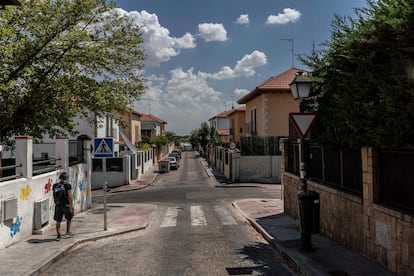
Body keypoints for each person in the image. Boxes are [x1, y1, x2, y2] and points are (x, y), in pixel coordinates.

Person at [53, 172, 74, 241]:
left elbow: (54, 196)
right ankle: (67, 232)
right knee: (69, 218)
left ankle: (58, 235)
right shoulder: (67, 185)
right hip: (66, 205)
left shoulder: (55, 185)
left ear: (60, 178)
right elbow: (70, 196)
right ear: (66, 178)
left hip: (58, 205)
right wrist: (71, 205)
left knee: (58, 221)